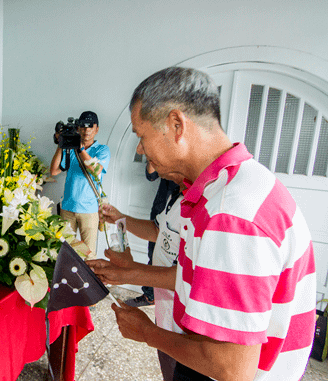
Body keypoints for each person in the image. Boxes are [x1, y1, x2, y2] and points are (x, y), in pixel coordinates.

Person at [88, 67, 316, 380]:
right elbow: (199, 279)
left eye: (142, 136)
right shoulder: (233, 186)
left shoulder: (229, 215)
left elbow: (230, 367)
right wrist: (129, 272)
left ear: (176, 125)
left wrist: (146, 332)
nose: (140, 149)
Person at [102, 172, 184, 380]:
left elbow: (187, 278)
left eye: (143, 139)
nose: (141, 150)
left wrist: (129, 273)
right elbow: (158, 232)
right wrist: (121, 219)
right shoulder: (175, 192)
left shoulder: (208, 206)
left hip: (185, 330)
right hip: (165, 313)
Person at [50, 111, 110, 259]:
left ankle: (88, 282)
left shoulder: (102, 150)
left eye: (91, 126)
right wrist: (61, 143)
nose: (87, 130)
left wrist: (81, 149)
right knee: (65, 251)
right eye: (83, 126)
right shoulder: (69, 149)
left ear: (96, 129)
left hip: (89, 210)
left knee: (88, 254)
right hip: (67, 208)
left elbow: (96, 171)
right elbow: (54, 171)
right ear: (78, 128)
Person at [125, 162, 180, 308]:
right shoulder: (172, 198)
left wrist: (125, 273)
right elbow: (151, 176)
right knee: (154, 254)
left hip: (177, 306)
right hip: (160, 209)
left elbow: (182, 276)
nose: (139, 150)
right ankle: (150, 295)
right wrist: (120, 218)